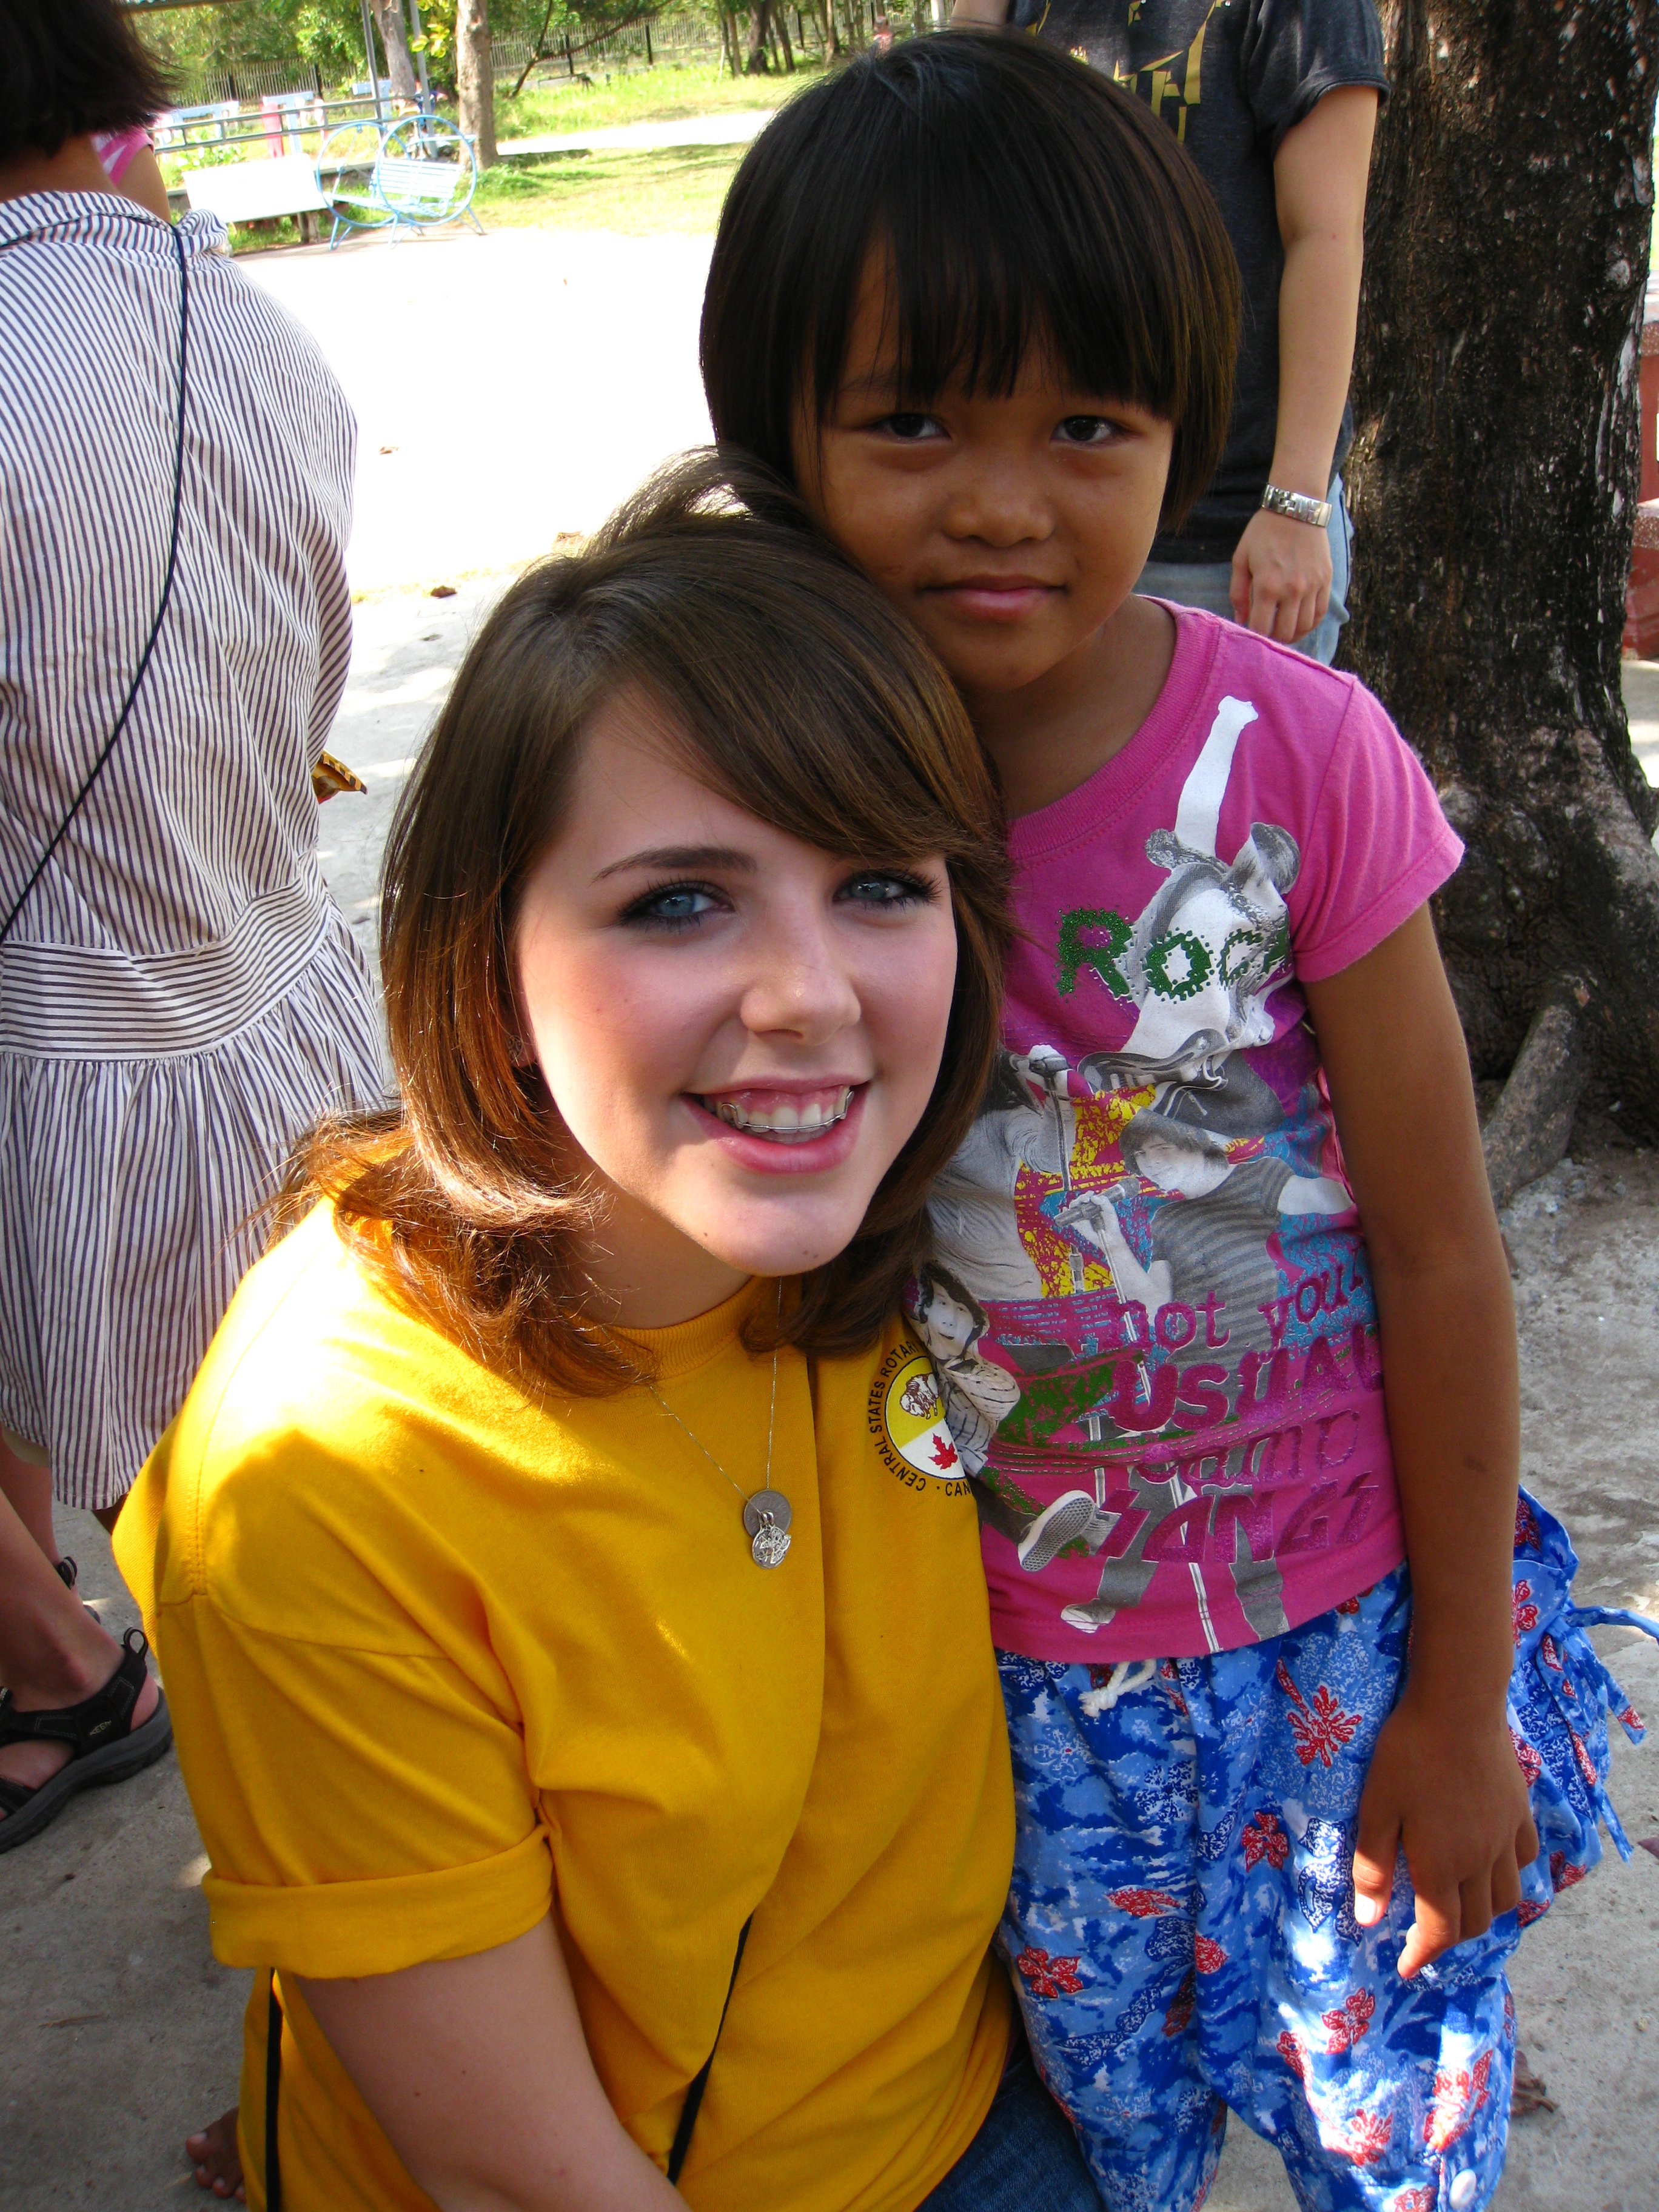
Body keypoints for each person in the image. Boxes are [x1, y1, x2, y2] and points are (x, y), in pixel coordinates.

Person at [699, 34, 1658, 2210]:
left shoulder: (1300, 755)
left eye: (1087, 425)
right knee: (1109, 2137)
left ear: (1184, 432)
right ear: (782, 433)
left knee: (1392, 2133)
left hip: (1338, 1628)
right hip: (996, 1669)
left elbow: (1435, 1244)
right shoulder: (770, 789)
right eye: (911, 416)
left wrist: (1450, 1684)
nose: (1000, 496)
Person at [115, 454, 1114, 2212]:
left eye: (882, 883)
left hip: (980, 2108)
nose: (810, 998)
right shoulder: (326, 1475)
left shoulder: (908, 1224)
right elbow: (526, 2181)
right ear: (488, 969)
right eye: (678, 901)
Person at [0, 0, 387, 1856]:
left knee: (246, 1588)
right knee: (336, 1526)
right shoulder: (246, 323)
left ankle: (346, 1988)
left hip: (75, 1082)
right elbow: (304, 657)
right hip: (290, 1010)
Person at [952, 0, 1387, 665]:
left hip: (1229, 540)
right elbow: (960, 179)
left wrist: (1296, 505)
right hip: (1043, 514)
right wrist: (978, 23)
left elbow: (1324, 240)